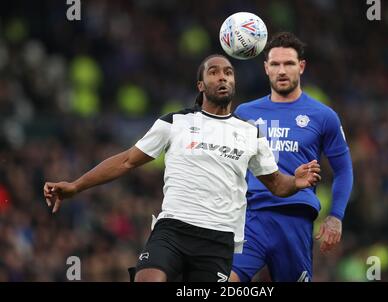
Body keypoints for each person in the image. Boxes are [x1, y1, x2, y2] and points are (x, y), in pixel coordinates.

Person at [43, 54, 322, 282]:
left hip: (219, 239)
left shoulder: (251, 133)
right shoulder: (175, 122)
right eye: (213, 72)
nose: (222, 76)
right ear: (200, 85)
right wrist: (76, 185)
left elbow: (276, 184)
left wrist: (295, 182)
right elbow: (127, 160)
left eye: (228, 72)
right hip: (173, 229)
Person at [230, 32, 354, 282]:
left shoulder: (323, 116)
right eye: (275, 64)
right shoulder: (244, 113)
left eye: (288, 63)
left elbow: (344, 170)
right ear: (266, 68)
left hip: (294, 220)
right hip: (251, 217)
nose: (282, 70)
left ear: (302, 66)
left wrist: (336, 216)